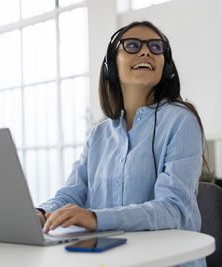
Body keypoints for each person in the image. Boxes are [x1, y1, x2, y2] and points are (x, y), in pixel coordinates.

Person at [36, 21, 207, 266]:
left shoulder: (181, 121)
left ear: (166, 66)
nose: (146, 51)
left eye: (156, 47)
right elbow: (72, 193)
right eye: (133, 45)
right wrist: (41, 213)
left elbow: (173, 210)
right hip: (111, 260)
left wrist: (96, 218)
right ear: (111, 66)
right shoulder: (98, 135)